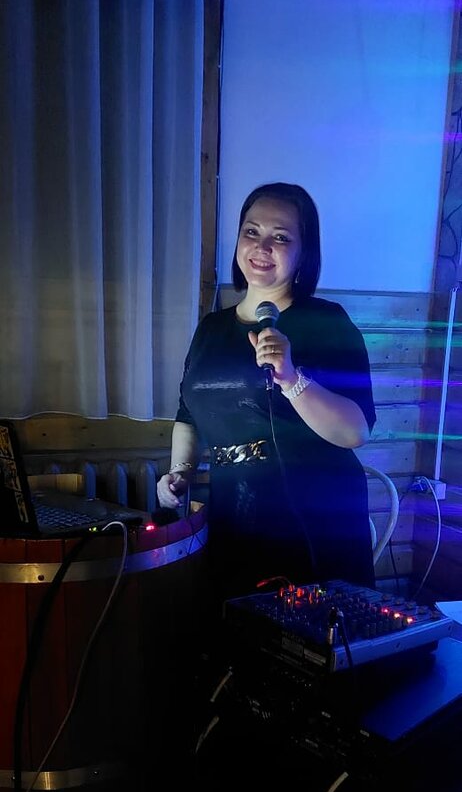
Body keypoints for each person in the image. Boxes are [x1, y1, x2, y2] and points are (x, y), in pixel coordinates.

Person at [157, 181, 377, 626]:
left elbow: (356, 430)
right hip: (234, 517)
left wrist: (292, 378)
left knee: (310, 649)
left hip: (313, 524)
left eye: (281, 237)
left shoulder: (326, 322)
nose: (261, 247)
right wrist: (180, 472)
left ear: (303, 253)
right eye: (251, 232)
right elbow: (188, 413)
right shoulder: (211, 328)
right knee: (239, 642)